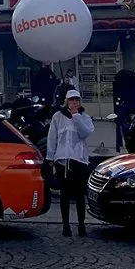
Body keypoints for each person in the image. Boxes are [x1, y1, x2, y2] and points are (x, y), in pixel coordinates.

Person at [47, 90, 95, 237]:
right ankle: (65, 224)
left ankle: (81, 224)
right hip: (63, 160)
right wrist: (50, 157)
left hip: (79, 159)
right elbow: (52, 137)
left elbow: (85, 132)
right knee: (65, 194)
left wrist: (75, 116)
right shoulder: (58, 117)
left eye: (76, 100)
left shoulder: (84, 117)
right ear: (66, 101)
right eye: (71, 100)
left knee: (80, 194)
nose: (74, 103)